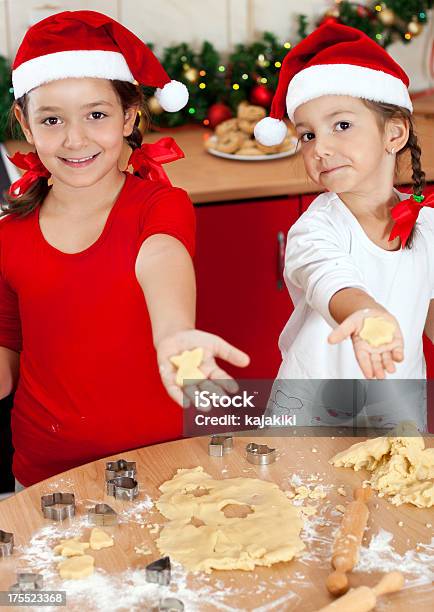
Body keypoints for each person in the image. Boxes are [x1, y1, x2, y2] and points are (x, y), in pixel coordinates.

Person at [0, 10, 249, 490]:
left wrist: (174, 334)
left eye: (97, 115)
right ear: (25, 125)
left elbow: (162, 257)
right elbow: (8, 349)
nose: (75, 139)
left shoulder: (160, 206)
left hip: (163, 462)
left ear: (129, 116)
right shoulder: (10, 232)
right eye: (51, 119)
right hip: (47, 472)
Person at [254, 22, 433, 431]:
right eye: (307, 135)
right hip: (309, 418)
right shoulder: (315, 229)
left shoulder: (427, 225)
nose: (321, 148)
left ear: (395, 132)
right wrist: (365, 312)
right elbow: (330, 279)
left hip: (395, 413)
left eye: (342, 125)